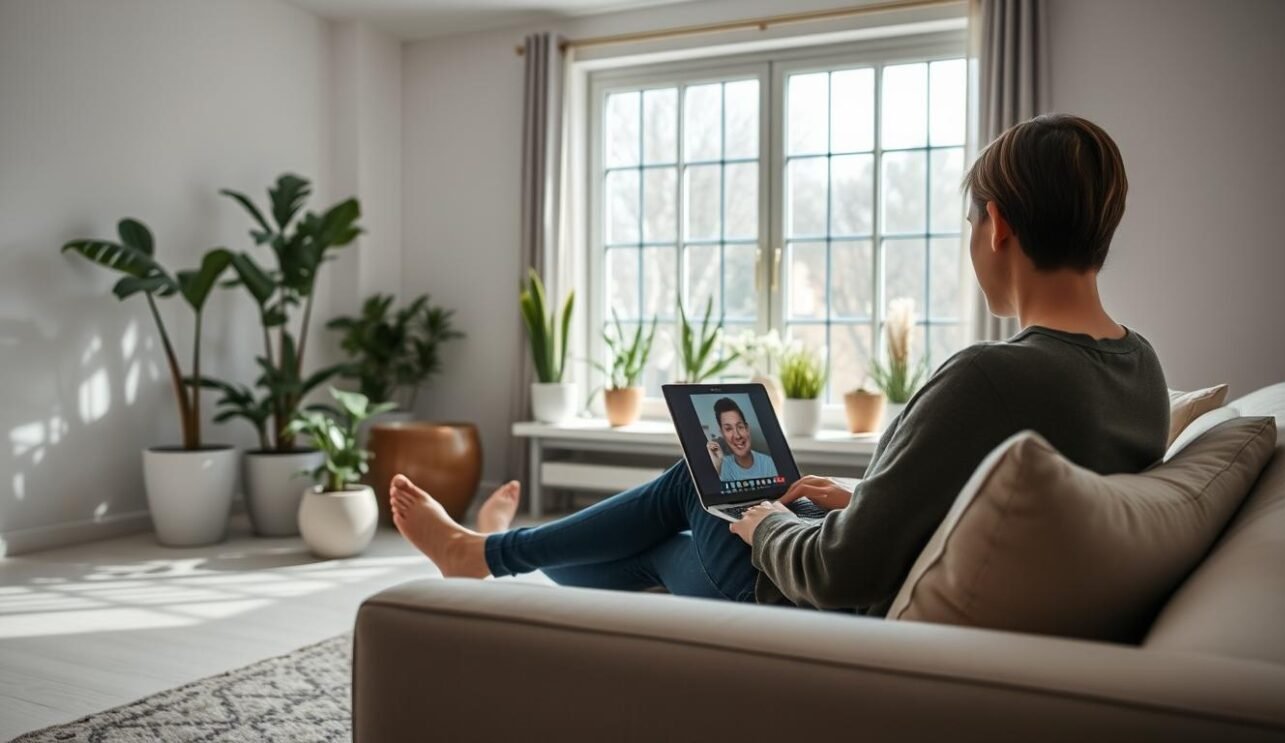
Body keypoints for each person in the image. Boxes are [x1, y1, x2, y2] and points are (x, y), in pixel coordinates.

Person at [388, 113, 1169, 613]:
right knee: (663, 545)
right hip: (872, 576)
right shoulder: (1141, 369)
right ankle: (492, 550)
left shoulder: (989, 377)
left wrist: (767, 523)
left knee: (696, 482)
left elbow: (840, 573)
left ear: (996, 226)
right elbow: (991, 506)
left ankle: (483, 552)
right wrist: (860, 497)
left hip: (818, 609)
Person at [705, 397, 778, 482]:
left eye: (740, 427)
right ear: (722, 434)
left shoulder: (769, 464)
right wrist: (718, 468)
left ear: (747, 429)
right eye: (728, 429)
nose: (737, 436)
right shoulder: (721, 466)